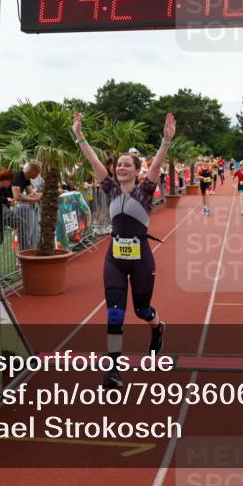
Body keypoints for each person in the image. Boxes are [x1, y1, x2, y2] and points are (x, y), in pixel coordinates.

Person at [73, 111, 175, 389]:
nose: (120, 168)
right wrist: (80, 136)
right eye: (118, 165)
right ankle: (113, 369)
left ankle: (158, 327)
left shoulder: (144, 191)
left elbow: (156, 167)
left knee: (142, 310)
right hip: (114, 259)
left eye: (126, 165)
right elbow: (93, 161)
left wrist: (166, 142)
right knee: (115, 314)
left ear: (136, 169)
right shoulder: (110, 190)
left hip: (141, 258)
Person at [11, 161, 43, 250]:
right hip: (16, 207)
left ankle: (28, 253)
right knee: (26, 234)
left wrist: (43, 195)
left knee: (30, 233)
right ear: (33, 172)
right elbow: (17, 197)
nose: (37, 176)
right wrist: (35, 198)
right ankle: (23, 256)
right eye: (37, 174)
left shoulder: (26, 178)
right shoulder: (18, 176)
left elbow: (31, 193)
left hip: (22, 207)